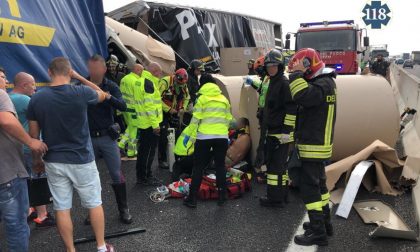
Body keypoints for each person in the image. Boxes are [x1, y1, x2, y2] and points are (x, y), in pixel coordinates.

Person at [27, 57, 114, 252]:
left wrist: (37, 161)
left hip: (54, 160)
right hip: (81, 159)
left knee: (62, 207)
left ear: (49, 72)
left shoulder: (37, 98)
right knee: (94, 203)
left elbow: (34, 136)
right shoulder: (81, 92)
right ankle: (101, 247)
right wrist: (80, 78)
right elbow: (102, 94)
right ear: (69, 72)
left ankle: (70, 250)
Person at [288, 48, 337, 246]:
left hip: (313, 146)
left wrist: (296, 75)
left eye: (302, 66)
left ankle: (318, 233)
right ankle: (325, 224)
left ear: (309, 64)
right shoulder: (324, 83)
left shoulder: (322, 84)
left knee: (310, 189)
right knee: (321, 187)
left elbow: (301, 95)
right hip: (316, 145)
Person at [0, 73, 47, 252]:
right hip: (7, 172)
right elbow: (6, 120)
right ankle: (42, 214)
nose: (5, 80)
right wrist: (32, 142)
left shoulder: (10, 97)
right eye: (2, 77)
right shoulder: (5, 96)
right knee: (17, 226)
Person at [85, 55, 132, 224]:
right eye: (91, 68)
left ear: (104, 69)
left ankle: (124, 209)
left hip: (107, 137)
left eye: (97, 68)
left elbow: (123, 105)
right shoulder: (81, 85)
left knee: (116, 174)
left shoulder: (110, 85)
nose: (94, 71)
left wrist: (107, 97)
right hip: (88, 138)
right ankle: (92, 211)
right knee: (90, 177)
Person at [9, 72, 56, 228]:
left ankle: (29, 210)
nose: (35, 88)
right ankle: (42, 215)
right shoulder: (25, 100)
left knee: (25, 179)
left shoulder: (8, 98)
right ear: (24, 85)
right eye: (33, 84)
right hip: (30, 146)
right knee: (38, 177)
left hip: (16, 147)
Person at [183, 73, 233, 208]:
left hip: (204, 137)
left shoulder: (202, 98)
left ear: (203, 85)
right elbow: (228, 119)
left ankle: (192, 198)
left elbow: (195, 120)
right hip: (221, 137)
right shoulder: (223, 99)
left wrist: (191, 137)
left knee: (198, 166)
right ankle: (222, 196)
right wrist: (224, 134)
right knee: (220, 165)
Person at [259, 49, 297, 208]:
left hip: (281, 133)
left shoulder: (283, 83)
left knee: (275, 168)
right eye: (268, 66)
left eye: (274, 65)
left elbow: (291, 109)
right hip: (273, 131)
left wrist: (287, 132)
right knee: (278, 167)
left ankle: (275, 199)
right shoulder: (273, 82)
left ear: (280, 66)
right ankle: (282, 195)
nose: (270, 68)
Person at [134, 63, 163, 186]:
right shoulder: (149, 83)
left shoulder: (142, 80)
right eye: (160, 73)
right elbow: (149, 105)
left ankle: (142, 176)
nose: (160, 76)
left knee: (143, 151)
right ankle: (146, 177)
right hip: (150, 124)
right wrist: (155, 124)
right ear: (155, 72)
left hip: (144, 122)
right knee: (149, 151)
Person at [158, 68, 190, 169]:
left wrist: (183, 108)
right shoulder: (165, 82)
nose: (181, 85)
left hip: (175, 111)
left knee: (178, 134)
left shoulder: (183, 84)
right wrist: (168, 109)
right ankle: (162, 160)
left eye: (183, 84)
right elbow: (156, 99)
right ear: (175, 77)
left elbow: (187, 97)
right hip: (162, 111)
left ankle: (177, 157)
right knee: (163, 135)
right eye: (179, 83)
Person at [244, 56, 270, 180]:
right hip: (264, 115)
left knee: (265, 144)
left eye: (259, 71)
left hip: (269, 116)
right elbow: (261, 89)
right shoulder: (266, 79)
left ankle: (264, 170)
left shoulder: (272, 80)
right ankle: (262, 168)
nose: (258, 74)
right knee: (263, 143)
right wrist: (252, 83)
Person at [118, 64, 143, 159]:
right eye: (141, 71)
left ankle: (124, 147)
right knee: (134, 129)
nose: (142, 73)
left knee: (130, 127)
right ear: (138, 70)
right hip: (133, 108)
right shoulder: (136, 81)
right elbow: (139, 97)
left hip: (124, 107)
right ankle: (129, 150)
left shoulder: (124, 79)